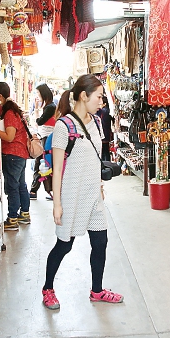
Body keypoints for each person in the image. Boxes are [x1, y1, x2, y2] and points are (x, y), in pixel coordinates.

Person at [42, 74, 123, 309]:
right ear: (83, 96)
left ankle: (97, 290)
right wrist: (57, 204)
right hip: (71, 196)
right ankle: (48, 288)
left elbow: (94, 159)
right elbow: (56, 170)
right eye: (99, 96)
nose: (102, 102)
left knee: (101, 242)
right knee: (64, 245)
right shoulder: (63, 126)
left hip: (93, 196)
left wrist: (98, 184)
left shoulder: (97, 122)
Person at [0, 82, 31, 230]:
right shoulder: (10, 109)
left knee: (12, 187)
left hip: (13, 154)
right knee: (20, 185)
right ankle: (24, 214)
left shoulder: (10, 113)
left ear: (0, 96)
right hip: (20, 154)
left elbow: (9, 137)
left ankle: (12, 219)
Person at [29, 83, 56, 200]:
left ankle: (35, 190)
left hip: (46, 138)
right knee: (44, 164)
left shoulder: (50, 107)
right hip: (45, 137)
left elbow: (39, 121)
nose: (38, 96)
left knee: (41, 163)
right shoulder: (49, 106)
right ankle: (47, 190)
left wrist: (36, 110)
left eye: (39, 94)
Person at [97, 94, 113, 160]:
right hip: (107, 133)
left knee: (103, 152)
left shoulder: (102, 111)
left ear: (104, 103)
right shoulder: (108, 111)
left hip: (102, 134)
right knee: (106, 152)